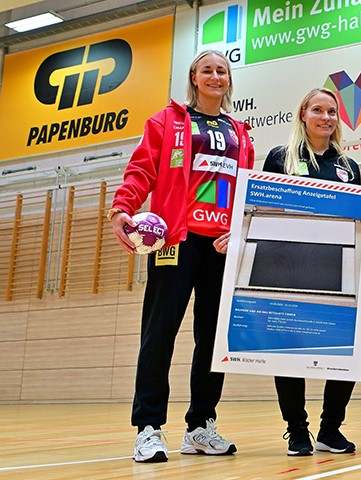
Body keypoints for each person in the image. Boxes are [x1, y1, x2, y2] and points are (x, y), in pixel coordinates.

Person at [108, 50, 254, 463]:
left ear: (229, 80)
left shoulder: (241, 133)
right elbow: (141, 170)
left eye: (222, 71)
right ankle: (149, 427)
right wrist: (122, 207)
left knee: (212, 339)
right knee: (160, 332)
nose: (215, 76)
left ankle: (200, 426)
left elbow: (245, 189)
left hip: (221, 244)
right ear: (193, 77)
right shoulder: (166, 121)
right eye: (207, 70)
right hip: (176, 238)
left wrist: (239, 231)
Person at [262, 87, 361, 456]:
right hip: (288, 270)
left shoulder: (348, 166)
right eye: (317, 110)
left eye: (332, 111)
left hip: (338, 270)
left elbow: (356, 221)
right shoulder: (279, 158)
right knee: (288, 352)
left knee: (344, 353)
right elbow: (265, 211)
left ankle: (331, 429)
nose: (325, 117)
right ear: (303, 114)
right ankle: (297, 430)